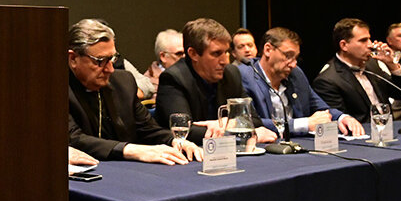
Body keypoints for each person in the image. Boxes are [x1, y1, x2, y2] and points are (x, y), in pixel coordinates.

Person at [67, 19, 200, 164]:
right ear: (73, 58)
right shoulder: (54, 89)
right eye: (100, 61)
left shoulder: (123, 82)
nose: (110, 69)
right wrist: (132, 150)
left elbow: (148, 130)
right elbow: (73, 139)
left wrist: (175, 141)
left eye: (112, 59)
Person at [155, 19, 275, 145]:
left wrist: (222, 123)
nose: (225, 61)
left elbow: (254, 120)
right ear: (193, 54)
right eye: (216, 53)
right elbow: (184, 130)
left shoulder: (231, 73)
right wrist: (244, 133)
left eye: (226, 52)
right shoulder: (173, 78)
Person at [240, 27, 364, 138]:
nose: (294, 64)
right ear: (268, 50)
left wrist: (342, 118)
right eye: (288, 56)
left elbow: (320, 107)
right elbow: (248, 122)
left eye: (296, 58)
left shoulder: (296, 74)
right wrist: (305, 124)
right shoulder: (245, 77)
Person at [313, 18, 401, 123]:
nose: (370, 45)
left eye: (369, 39)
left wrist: (392, 65)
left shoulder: (373, 65)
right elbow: (340, 122)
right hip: (362, 135)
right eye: (363, 40)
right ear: (344, 45)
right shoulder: (328, 80)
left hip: (389, 130)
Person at [142, 28, 184, 98]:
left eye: (186, 53)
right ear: (163, 56)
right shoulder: (150, 84)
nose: (184, 57)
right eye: (179, 54)